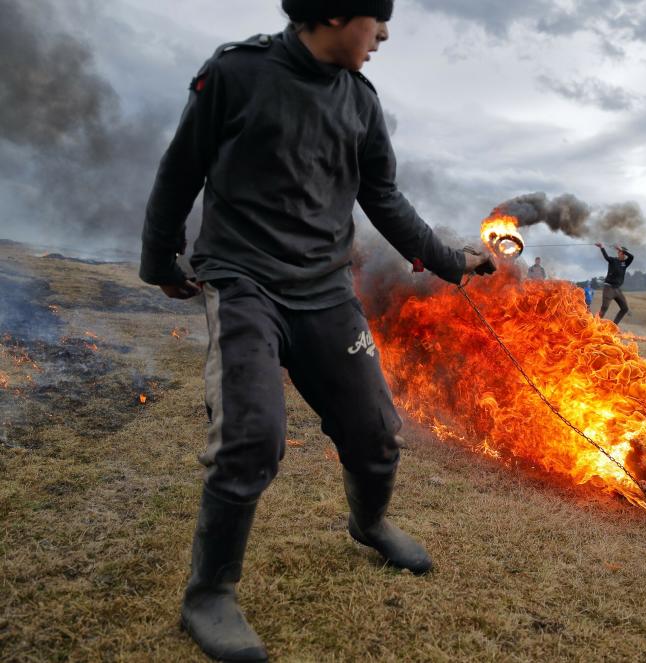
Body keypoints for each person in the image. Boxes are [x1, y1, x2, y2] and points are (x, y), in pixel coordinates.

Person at [138, 2, 496, 660]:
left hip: (326, 291)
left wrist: (451, 261)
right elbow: (178, 172)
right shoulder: (235, 74)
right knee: (253, 436)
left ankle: (370, 523)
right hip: (244, 282)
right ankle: (209, 593)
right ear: (333, 11)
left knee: (375, 429)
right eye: (376, 19)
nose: (384, 34)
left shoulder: (360, 103)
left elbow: (384, 197)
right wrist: (159, 260)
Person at [595, 242, 633, 325]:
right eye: (621, 253)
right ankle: (594, 325)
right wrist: (602, 247)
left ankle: (614, 326)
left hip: (617, 290)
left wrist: (621, 249)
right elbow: (606, 257)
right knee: (604, 307)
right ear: (618, 253)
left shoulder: (625, 263)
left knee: (624, 308)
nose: (624, 255)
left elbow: (632, 256)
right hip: (608, 288)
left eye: (624, 253)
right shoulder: (613, 260)